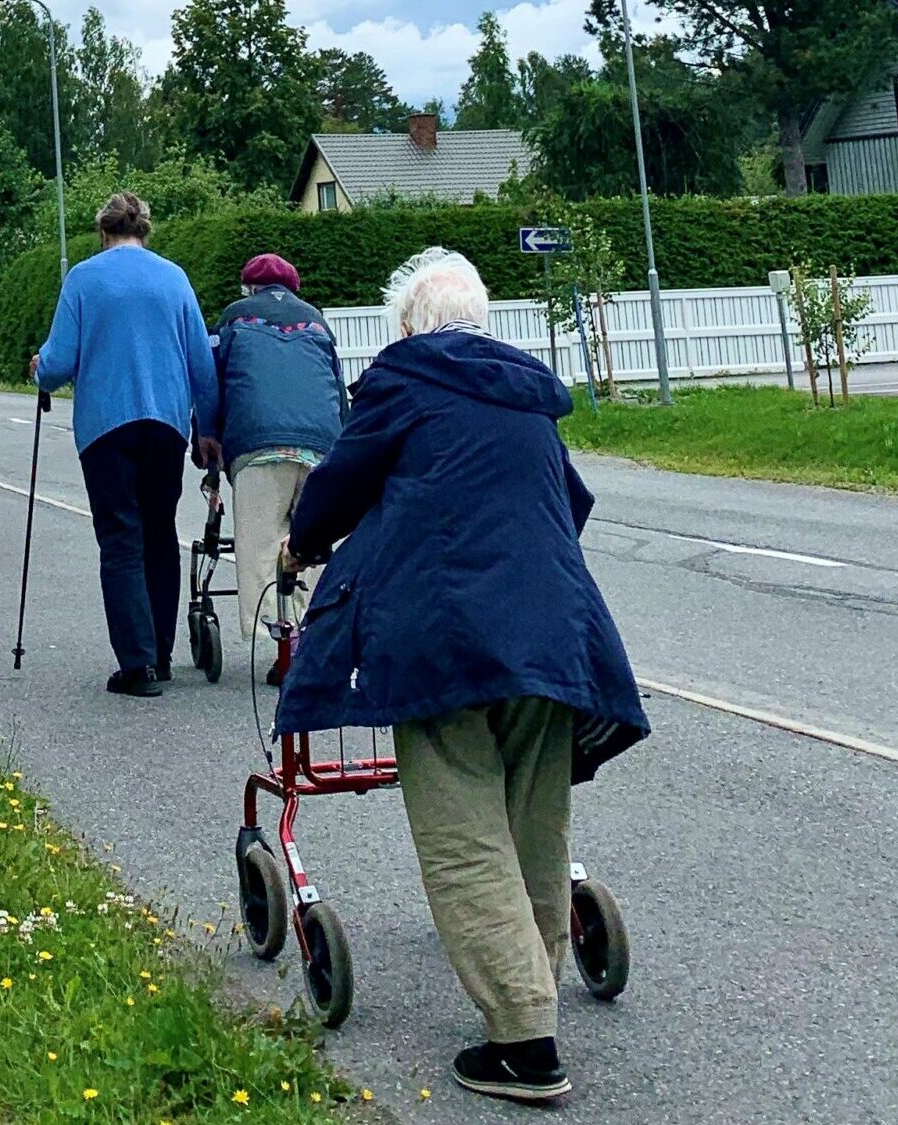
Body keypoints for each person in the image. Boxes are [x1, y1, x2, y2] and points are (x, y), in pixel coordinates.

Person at [273, 247, 650, 1105]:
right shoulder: (526, 394)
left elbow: (336, 489)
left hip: (443, 631)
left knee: (463, 826)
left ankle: (523, 1040)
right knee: (536, 816)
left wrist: (301, 543)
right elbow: (572, 504)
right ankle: (535, 985)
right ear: (480, 321)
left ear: (408, 327)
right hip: (553, 630)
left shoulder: (403, 381)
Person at [33, 192, 217, 698]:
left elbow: (58, 363)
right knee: (159, 534)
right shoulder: (174, 278)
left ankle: (135, 664)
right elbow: (202, 365)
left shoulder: (84, 279)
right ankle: (160, 652)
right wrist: (207, 428)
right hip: (166, 422)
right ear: (144, 230)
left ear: (103, 232)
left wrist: (39, 369)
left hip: (106, 425)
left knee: (119, 537)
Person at [204, 252, 346, 683]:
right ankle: (315, 635)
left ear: (248, 288)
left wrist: (207, 440)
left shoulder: (231, 321)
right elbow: (338, 393)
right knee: (313, 544)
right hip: (322, 446)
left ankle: (283, 642)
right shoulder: (318, 323)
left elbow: (211, 386)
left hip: (258, 445)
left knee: (261, 546)